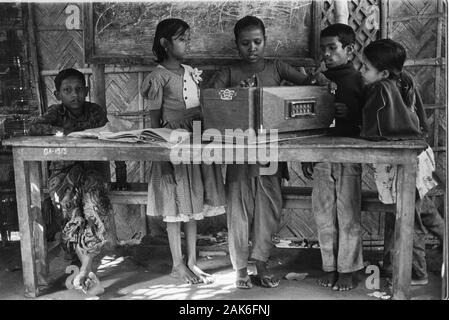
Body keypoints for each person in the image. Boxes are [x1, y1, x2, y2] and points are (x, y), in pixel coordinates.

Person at [207, 15, 317, 289]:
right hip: (239, 153)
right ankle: (241, 269)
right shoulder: (230, 73)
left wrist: (316, 79)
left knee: (268, 211)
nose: (252, 48)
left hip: (270, 153)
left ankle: (262, 263)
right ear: (237, 45)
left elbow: (308, 86)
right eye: (245, 43)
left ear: (266, 41)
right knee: (238, 211)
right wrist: (236, 92)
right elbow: (209, 98)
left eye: (257, 42)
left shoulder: (278, 67)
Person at [141, 18, 226, 285]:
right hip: (173, 145)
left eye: (188, 37)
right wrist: (163, 157)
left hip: (195, 141)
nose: (186, 42)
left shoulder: (190, 71)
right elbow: (155, 122)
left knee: (193, 203)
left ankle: (191, 262)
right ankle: (177, 264)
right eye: (181, 38)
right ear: (165, 43)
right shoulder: (157, 77)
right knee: (175, 205)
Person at [29, 68, 122, 295]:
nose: (75, 95)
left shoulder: (96, 112)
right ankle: (82, 265)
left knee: (94, 206)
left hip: (93, 171)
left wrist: (121, 175)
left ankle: (86, 268)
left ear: (87, 90)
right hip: (64, 172)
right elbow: (35, 127)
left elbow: (111, 137)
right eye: (68, 90)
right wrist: (62, 131)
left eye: (79, 89)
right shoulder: (55, 113)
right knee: (70, 208)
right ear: (58, 93)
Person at [359, 38, 442, 286]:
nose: (361, 72)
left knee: (409, 218)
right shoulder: (403, 79)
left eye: (365, 68)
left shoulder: (380, 89)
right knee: (423, 210)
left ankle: (416, 273)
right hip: (419, 156)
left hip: (404, 164)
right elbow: (421, 121)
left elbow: (374, 129)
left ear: (383, 72)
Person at [301, 23, 365, 291]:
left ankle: (348, 269)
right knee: (323, 214)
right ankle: (329, 267)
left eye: (332, 48)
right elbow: (307, 120)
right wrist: (307, 155)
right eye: (323, 48)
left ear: (349, 50)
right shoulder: (318, 81)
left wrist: (350, 114)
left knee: (348, 214)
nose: (326, 54)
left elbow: (371, 121)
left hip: (349, 156)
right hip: (321, 155)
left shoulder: (360, 80)